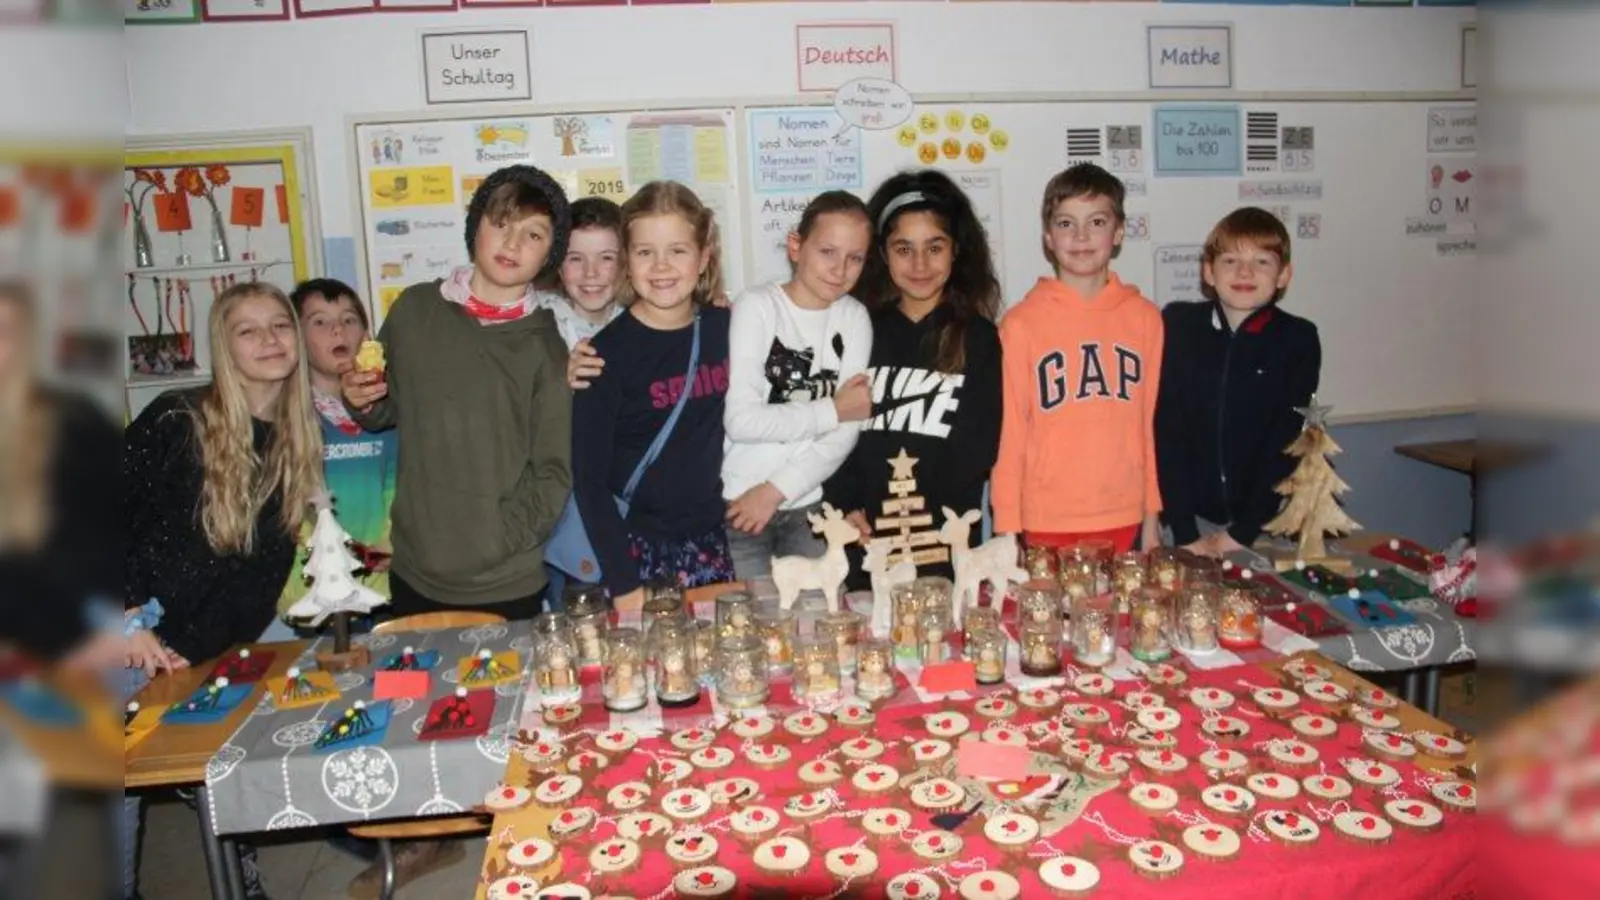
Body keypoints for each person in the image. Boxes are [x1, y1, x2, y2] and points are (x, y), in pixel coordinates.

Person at [124, 281, 324, 900]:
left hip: (199, 638)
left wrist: (199, 645)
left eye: (280, 326)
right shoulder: (178, 417)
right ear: (224, 346)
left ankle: (234, 863)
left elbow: (257, 576)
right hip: (128, 628)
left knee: (267, 726)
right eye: (248, 329)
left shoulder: (295, 436)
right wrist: (128, 620)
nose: (269, 339)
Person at [340, 165, 572, 620]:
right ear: (475, 228)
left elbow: (554, 472)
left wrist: (496, 538)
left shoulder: (547, 348)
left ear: (549, 254)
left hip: (505, 581)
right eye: (501, 224)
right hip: (414, 571)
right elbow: (384, 409)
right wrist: (360, 396)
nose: (512, 244)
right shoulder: (414, 310)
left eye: (533, 235)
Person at [821, 170, 1003, 589]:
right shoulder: (856, 329)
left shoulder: (977, 337)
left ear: (956, 251)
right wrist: (844, 502)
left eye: (934, 248)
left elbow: (978, 449)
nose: (920, 265)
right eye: (904, 248)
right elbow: (833, 426)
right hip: (865, 539)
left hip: (942, 542)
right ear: (882, 254)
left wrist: (923, 519)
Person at [569, 180, 734, 605]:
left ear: (703, 259)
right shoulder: (602, 355)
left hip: (718, 542)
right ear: (627, 262)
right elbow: (588, 483)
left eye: (677, 250)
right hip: (636, 550)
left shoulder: (726, 329)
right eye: (645, 252)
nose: (661, 267)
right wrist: (623, 582)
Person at [993, 163, 1163, 556]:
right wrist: (1006, 530)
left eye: (1097, 221)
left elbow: (1148, 427)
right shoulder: (1020, 324)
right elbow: (1011, 435)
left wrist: (1152, 518)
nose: (1081, 236)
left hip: (1125, 515)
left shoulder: (1145, 319)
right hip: (1045, 520)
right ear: (1048, 237)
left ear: (1118, 232)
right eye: (1066, 223)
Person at [721, 191, 875, 579]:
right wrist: (833, 409)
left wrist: (774, 492)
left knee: (817, 625)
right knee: (750, 628)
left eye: (854, 258)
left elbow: (844, 436)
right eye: (827, 251)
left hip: (809, 505)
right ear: (795, 246)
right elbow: (741, 421)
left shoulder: (855, 319)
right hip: (740, 504)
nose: (840, 270)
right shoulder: (757, 306)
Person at [1156, 206, 1321, 556]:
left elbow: (1287, 439)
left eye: (1262, 261)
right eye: (1230, 260)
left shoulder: (1298, 340)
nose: (1245, 271)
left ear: (1283, 275)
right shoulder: (1178, 326)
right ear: (1208, 272)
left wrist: (1243, 531)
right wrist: (1184, 529)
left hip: (1263, 524)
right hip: (1187, 521)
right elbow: (1168, 433)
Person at [264, 278, 397, 641]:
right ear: (297, 338)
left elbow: (398, 487)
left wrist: (392, 544)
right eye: (319, 322)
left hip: (382, 585)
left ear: (366, 335)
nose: (338, 329)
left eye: (349, 319)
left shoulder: (386, 410)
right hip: (316, 588)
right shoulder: (284, 415)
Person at [540, 196, 627, 348]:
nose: (590, 273)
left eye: (606, 258)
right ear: (559, 265)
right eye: (575, 259)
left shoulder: (643, 322)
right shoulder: (537, 324)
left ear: (626, 263)